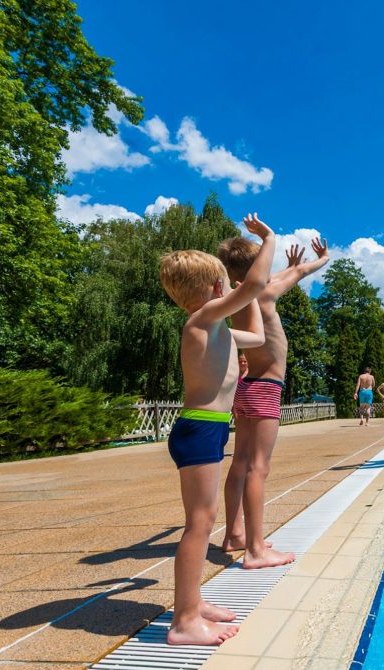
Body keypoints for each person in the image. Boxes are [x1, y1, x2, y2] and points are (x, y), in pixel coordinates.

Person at [157, 213, 274, 645]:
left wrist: (250, 302)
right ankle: (184, 621)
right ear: (213, 288)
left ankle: (193, 600)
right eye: (224, 283)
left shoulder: (216, 327)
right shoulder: (201, 321)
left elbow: (257, 337)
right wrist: (268, 239)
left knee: (201, 521)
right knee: (200, 524)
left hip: (207, 429)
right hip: (200, 429)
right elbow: (255, 285)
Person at [217, 235, 329, 567]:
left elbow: (286, 274)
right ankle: (254, 550)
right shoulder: (264, 291)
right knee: (258, 468)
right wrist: (322, 258)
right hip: (266, 387)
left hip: (246, 387)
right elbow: (299, 273)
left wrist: (290, 267)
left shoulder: (236, 296)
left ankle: (234, 534)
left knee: (239, 464)